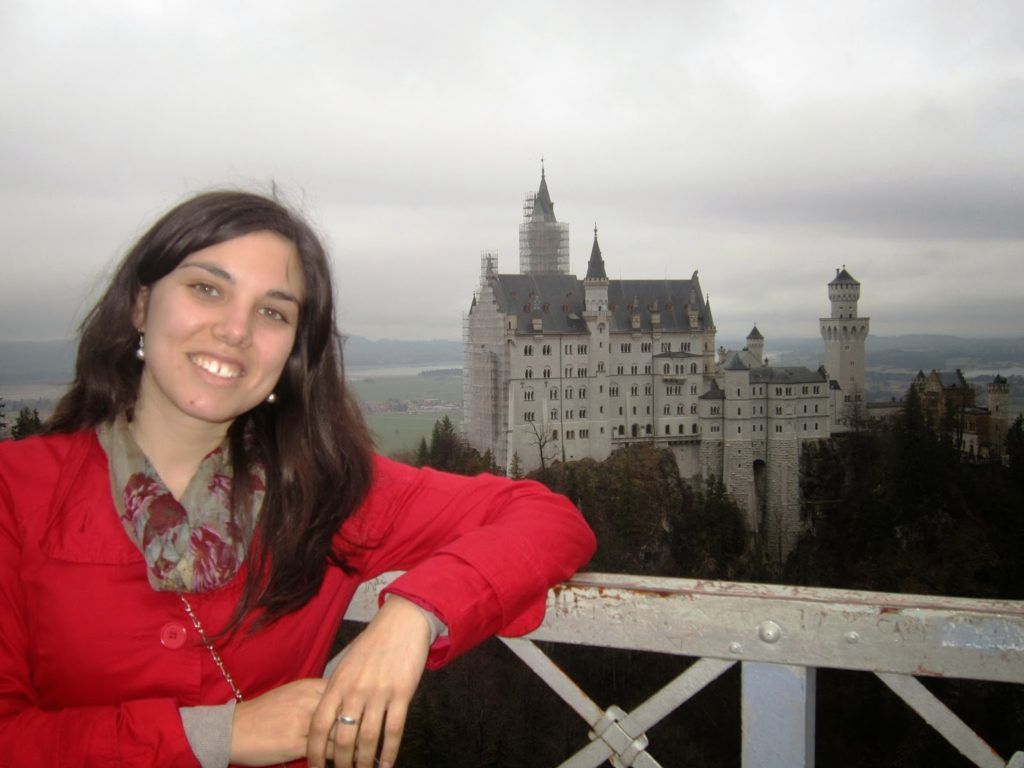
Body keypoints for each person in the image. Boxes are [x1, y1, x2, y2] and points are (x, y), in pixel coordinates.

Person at [0, 190, 595, 768]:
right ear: (140, 304)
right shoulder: (16, 492)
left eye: (272, 312)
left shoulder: (323, 490)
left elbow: (547, 520)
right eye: (207, 289)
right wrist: (220, 736)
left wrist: (413, 614)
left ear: (291, 352)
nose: (235, 330)